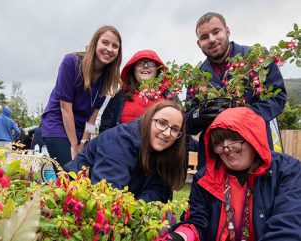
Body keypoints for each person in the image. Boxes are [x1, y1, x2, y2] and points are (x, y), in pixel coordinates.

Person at [168, 107, 301, 241]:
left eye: (234, 139)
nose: (226, 148)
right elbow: (198, 222)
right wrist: (180, 236)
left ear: (252, 138)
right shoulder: (205, 178)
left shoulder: (287, 171)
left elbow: (287, 229)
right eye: (219, 142)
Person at [186, 12, 286, 169]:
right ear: (199, 43)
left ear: (227, 31)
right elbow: (189, 123)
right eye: (204, 37)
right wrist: (198, 115)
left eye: (216, 31)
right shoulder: (196, 78)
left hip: (254, 151)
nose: (211, 39)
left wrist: (244, 114)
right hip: (215, 159)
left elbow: (277, 98)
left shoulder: (255, 60)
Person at [64, 101, 187, 203]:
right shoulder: (119, 142)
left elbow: (158, 189)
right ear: (149, 119)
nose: (167, 133)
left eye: (175, 129)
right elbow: (106, 194)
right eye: (162, 123)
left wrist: (140, 206)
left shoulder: (164, 150)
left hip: (123, 202)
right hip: (76, 198)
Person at [41, 25, 122, 168]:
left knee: (85, 175)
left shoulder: (107, 78)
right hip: (58, 124)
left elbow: (92, 117)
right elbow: (65, 107)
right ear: (95, 43)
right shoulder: (71, 62)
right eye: (105, 42)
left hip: (80, 130)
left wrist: (83, 142)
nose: (109, 49)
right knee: (70, 173)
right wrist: (73, 145)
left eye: (115, 46)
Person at [99, 50, 167, 132]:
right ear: (133, 70)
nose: (145, 66)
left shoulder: (169, 96)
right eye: (140, 63)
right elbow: (106, 129)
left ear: (158, 70)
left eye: (151, 63)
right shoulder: (119, 97)